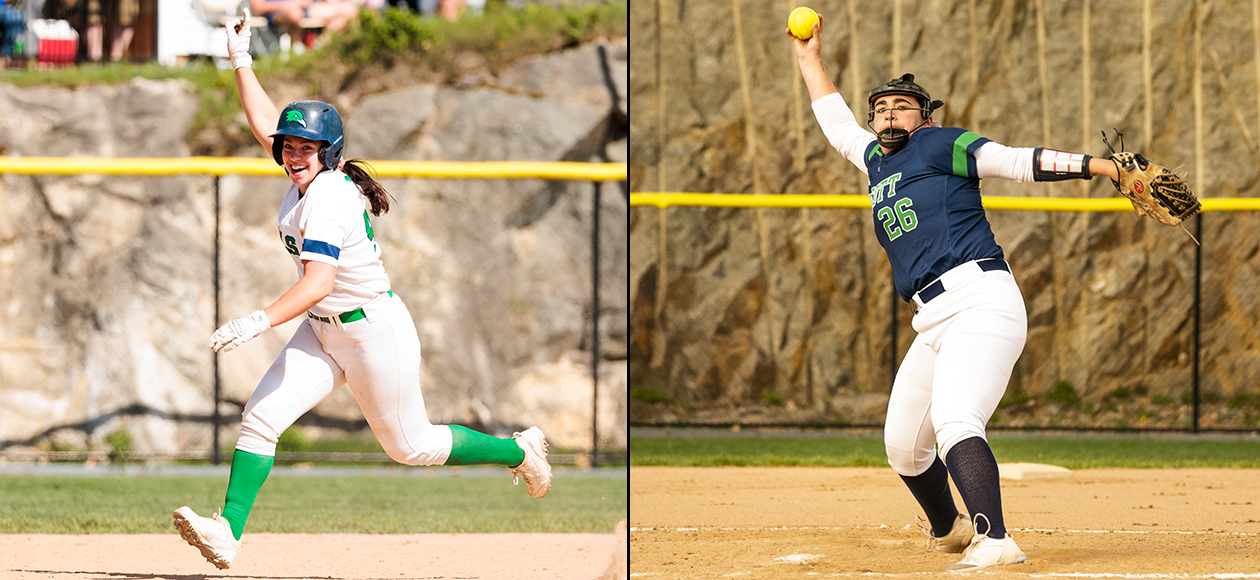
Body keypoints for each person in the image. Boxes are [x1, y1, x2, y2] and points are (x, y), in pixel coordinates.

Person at [171, 9, 552, 570]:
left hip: (372, 331)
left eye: (306, 147)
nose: (292, 154)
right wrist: (241, 60)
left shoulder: (327, 196)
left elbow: (318, 281)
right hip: (323, 330)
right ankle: (228, 531)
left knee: (411, 447)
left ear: (329, 154)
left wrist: (257, 321)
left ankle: (519, 449)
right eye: (289, 146)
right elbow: (264, 126)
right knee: (260, 418)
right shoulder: (309, 175)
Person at [788, 16, 1122, 573]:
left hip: (980, 299)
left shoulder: (941, 144)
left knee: (956, 420)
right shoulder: (873, 160)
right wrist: (809, 59)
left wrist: (1102, 166)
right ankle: (952, 528)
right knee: (903, 445)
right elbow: (834, 120)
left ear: (927, 116)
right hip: (932, 318)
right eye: (882, 108)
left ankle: (996, 540)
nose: (890, 113)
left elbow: (1016, 161)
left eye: (903, 105)